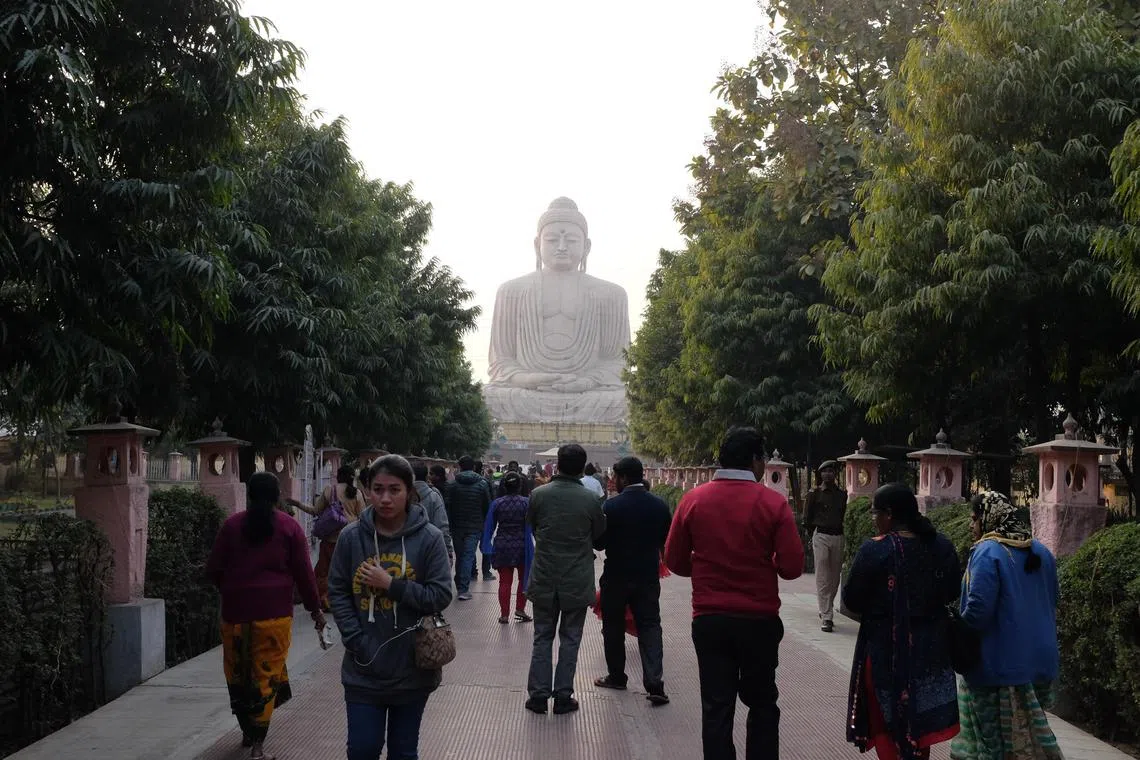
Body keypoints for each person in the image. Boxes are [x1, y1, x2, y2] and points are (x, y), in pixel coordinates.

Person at [664, 426, 804, 760]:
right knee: (762, 702)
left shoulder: (693, 500)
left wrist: (703, 566)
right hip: (759, 620)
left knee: (716, 707)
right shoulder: (773, 503)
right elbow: (792, 567)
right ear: (756, 461)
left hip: (710, 619)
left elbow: (674, 560)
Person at [327, 454, 453, 760]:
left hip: (412, 667)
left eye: (394, 489)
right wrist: (357, 640)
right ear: (367, 490)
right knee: (362, 748)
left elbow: (439, 595)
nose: (385, 498)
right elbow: (338, 591)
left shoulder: (429, 539)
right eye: (378, 489)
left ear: (409, 492)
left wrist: (392, 585)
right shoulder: (351, 537)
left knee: (403, 751)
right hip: (363, 668)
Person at [206, 472, 325, 760]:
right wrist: (315, 610)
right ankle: (258, 745)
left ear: (249, 495)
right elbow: (305, 575)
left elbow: (213, 570)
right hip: (274, 617)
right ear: (277, 497)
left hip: (235, 615)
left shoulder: (232, 526)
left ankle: (247, 731)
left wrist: (232, 590)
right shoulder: (289, 527)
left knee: (239, 673)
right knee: (265, 675)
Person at [843, 483, 961, 760]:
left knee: (886, 721)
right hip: (931, 650)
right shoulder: (940, 545)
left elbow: (851, 599)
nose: (873, 520)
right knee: (920, 724)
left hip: (886, 651)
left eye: (876, 514)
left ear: (890, 514)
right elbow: (953, 591)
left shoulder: (875, 550)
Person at [951, 492, 1062, 760]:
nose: (971, 525)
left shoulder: (988, 551)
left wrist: (955, 634)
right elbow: (1053, 599)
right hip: (1040, 662)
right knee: (1026, 741)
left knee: (995, 745)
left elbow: (978, 610)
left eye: (974, 518)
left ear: (988, 518)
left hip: (999, 665)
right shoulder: (1041, 551)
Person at [525, 443, 606, 716]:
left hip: (545, 576)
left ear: (557, 464)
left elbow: (534, 526)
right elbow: (598, 537)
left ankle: (537, 696)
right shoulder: (591, 500)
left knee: (542, 637)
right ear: (583, 468)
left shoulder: (538, 495)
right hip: (576, 577)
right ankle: (563, 696)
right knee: (571, 639)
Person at [593, 456, 672, 705]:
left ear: (625, 478)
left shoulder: (611, 507)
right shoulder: (659, 505)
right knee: (650, 625)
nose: (613, 481)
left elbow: (599, 542)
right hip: (647, 576)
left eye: (615, 477)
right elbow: (665, 541)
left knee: (613, 625)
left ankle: (617, 676)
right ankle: (654, 682)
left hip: (616, 575)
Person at [291, 464, 366, 611]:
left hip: (330, 540)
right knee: (348, 572)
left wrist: (297, 504)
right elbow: (363, 518)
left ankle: (325, 600)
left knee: (323, 573)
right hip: (350, 540)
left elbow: (315, 511)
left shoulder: (329, 491)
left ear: (338, 476)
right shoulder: (357, 494)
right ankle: (348, 601)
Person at [483, 471, 535, 624]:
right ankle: (520, 609)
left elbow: (489, 527)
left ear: (504, 486)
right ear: (520, 486)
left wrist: (487, 545)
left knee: (504, 582)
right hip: (522, 545)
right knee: (523, 580)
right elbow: (534, 524)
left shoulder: (497, 503)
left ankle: (504, 614)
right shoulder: (527, 503)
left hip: (503, 545)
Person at [802, 459, 848, 632]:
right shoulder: (814, 493)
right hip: (821, 535)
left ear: (835, 474)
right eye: (825, 471)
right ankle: (827, 615)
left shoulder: (842, 494)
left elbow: (842, 513)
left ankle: (826, 607)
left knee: (835, 578)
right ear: (820, 474)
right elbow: (807, 517)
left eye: (831, 471)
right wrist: (811, 535)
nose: (828, 474)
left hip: (838, 536)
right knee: (823, 576)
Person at [445, 455, 492, 600]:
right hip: (475, 526)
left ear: (460, 466)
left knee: (461, 556)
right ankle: (463, 589)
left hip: (457, 526)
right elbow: (487, 506)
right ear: (473, 467)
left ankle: (460, 582)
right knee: (468, 556)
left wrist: (451, 524)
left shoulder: (452, 484)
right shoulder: (482, 484)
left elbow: (448, 506)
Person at [411, 460, 455, 566]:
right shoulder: (433, 496)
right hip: (430, 549)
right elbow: (442, 525)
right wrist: (448, 551)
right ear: (426, 476)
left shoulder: (400, 495)